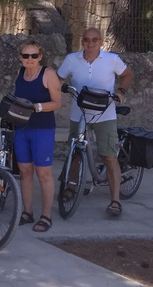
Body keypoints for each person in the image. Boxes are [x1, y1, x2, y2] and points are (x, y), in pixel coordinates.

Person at [57, 27, 133, 217]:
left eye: (94, 40)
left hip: (105, 114)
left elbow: (127, 74)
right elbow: (57, 79)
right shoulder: (71, 59)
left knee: (109, 156)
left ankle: (115, 201)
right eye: (86, 40)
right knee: (75, 153)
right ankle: (71, 187)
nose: (90, 44)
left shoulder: (111, 59)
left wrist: (121, 91)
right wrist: (57, 87)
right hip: (79, 114)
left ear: (101, 42)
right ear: (82, 41)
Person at [11, 41, 61, 233]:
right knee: (24, 172)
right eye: (25, 56)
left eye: (33, 56)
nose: (29, 59)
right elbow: (17, 99)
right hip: (22, 129)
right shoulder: (20, 74)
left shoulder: (48, 74)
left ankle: (46, 216)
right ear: (20, 58)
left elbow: (57, 102)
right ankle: (27, 212)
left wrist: (37, 107)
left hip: (42, 130)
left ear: (40, 56)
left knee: (43, 174)